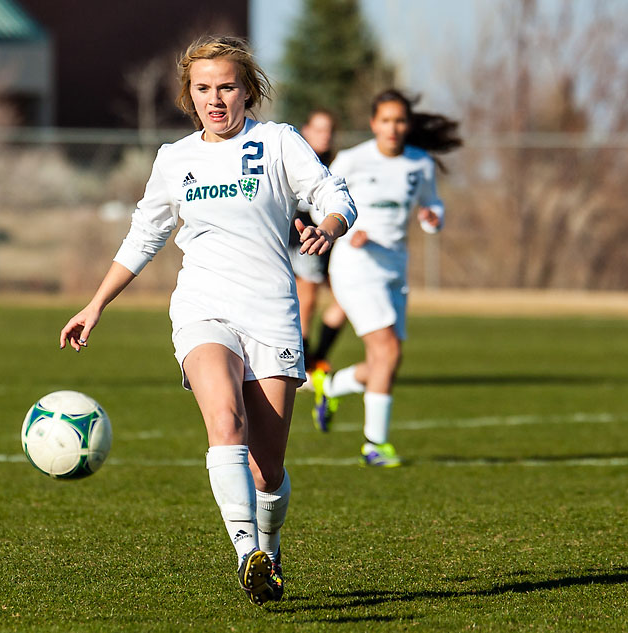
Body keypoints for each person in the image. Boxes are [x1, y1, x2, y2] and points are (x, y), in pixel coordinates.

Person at [59, 36, 357, 605]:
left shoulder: (277, 142)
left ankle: (268, 549)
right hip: (203, 307)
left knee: (267, 470)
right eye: (203, 88)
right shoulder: (175, 159)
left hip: (271, 310)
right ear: (188, 95)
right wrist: (95, 305)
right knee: (225, 420)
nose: (215, 99)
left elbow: (331, 192)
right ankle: (247, 554)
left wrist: (332, 224)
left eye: (226, 86)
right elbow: (144, 236)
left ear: (247, 90)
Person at [314, 89, 461, 466]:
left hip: (394, 267)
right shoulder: (352, 160)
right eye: (385, 120)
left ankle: (330, 386)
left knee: (385, 361)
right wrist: (346, 229)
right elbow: (321, 202)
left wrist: (432, 218)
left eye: (399, 121)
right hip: (354, 263)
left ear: (407, 125)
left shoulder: (420, 163)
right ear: (373, 124)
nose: (392, 128)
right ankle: (374, 445)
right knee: (388, 351)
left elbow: (433, 202)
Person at [286, 109, 349, 394]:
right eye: (319, 129)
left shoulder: (340, 163)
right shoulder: (295, 157)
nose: (325, 135)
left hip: (333, 244)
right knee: (306, 295)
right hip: (302, 239)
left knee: (346, 300)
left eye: (329, 130)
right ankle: (302, 363)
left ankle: (314, 359)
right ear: (306, 130)